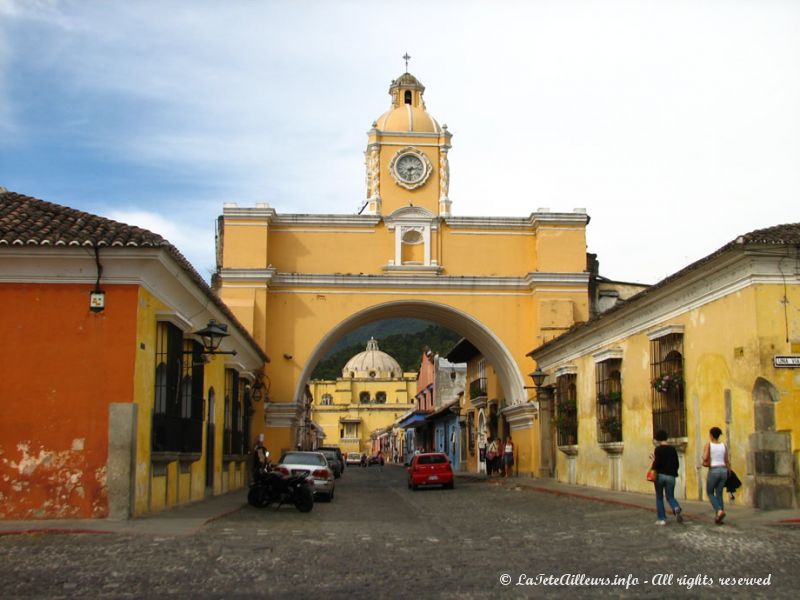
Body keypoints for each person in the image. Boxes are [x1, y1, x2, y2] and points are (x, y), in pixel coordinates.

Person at [650, 429, 683, 526]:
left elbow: (657, 464)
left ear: (658, 439)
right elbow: (677, 463)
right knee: (670, 496)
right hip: (671, 477)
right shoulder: (673, 449)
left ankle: (662, 519)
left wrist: (653, 460)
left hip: (660, 476)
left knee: (659, 497)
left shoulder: (658, 450)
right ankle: (676, 507)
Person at [703, 426, 730, 524]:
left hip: (714, 470)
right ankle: (719, 517)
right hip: (723, 470)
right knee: (719, 494)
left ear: (711, 435)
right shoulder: (724, 445)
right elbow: (727, 460)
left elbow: (705, 457)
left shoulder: (709, 445)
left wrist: (704, 457)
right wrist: (729, 471)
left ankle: (719, 511)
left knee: (710, 492)